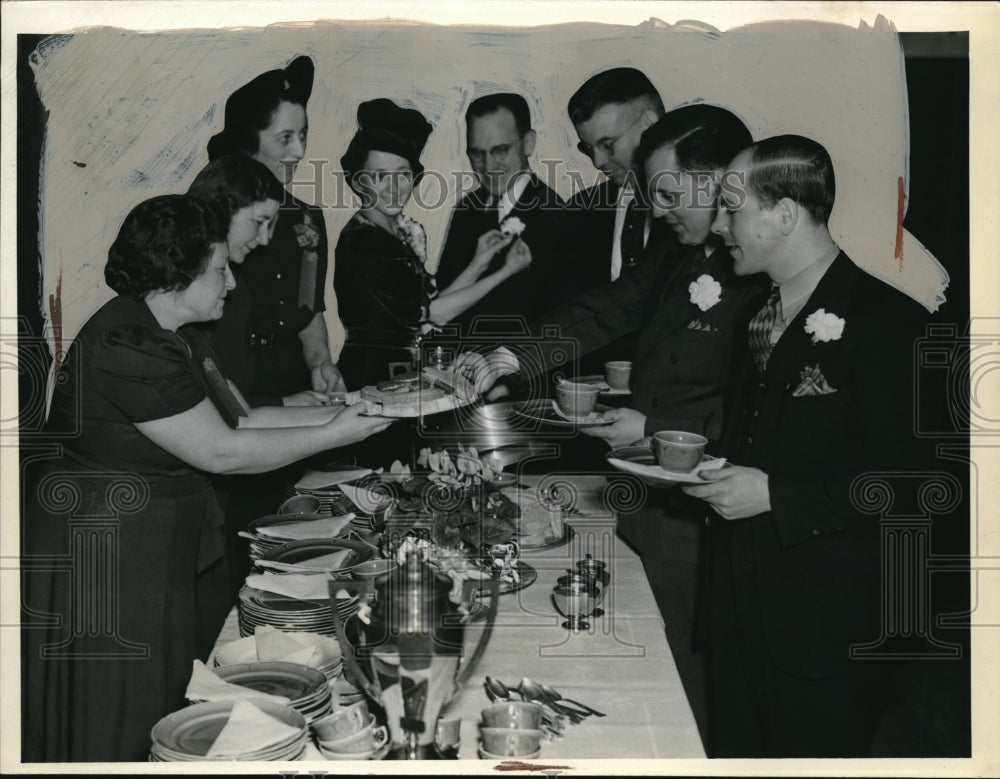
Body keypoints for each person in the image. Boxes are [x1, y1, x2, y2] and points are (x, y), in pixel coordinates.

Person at [20, 195, 393, 762]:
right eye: (219, 270)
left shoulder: (177, 331)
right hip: (105, 558)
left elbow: (245, 419)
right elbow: (222, 452)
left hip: (147, 548)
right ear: (178, 273)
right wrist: (336, 434)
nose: (233, 284)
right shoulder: (129, 344)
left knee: (162, 711)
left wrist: (363, 405)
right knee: (116, 720)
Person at [455, 105, 769, 751]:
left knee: (691, 686)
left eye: (667, 192)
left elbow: (752, 413)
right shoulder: (678, 251)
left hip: (701, 522)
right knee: (645, 673)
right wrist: (513, 354)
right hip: (646, 505)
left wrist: (653, 425)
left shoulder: (762, 272)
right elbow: (609, 305)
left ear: (715, 180)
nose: (657, 209)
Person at [682, 135, 932, 757]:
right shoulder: (757, 317)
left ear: (785, 214)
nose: (717, 227)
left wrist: (773, 495)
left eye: (731, 211)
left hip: (826, 629)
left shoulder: (889, 322)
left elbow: (915, 488)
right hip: (742, 609)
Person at [334, 98, 531, 389]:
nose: (394, 188)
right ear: (359, 182)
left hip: (401, 374)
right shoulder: (364, 240)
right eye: (379, 177)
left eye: (403, 175)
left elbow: (431, 306)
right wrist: (504, 272)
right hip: (372, 377)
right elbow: (433, 315)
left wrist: (479, 261)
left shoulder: (395, 234)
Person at [205, 55, 344, 407]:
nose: (299, 151)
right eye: (285, 138)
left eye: (303, 136)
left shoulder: (308, 219)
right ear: (249, 139)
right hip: (230, 378)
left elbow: (309, 307)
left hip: (295, 381)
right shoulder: (209, 214)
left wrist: (320, 362)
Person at [434, 92, 567, 335]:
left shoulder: (555, 214)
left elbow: (555, 320)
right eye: (476, 153)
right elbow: (442, 300)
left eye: (500, 150)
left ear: (528, 143)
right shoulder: (467, 208)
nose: (488, 166)